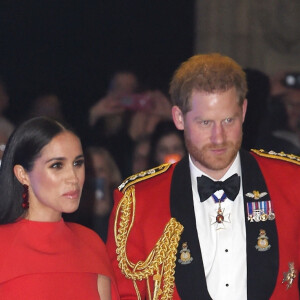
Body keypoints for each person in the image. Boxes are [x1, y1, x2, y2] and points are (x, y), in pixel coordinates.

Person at [106, 53, 300, 299]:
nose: (219, 137)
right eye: (205, 123)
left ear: (244, 110)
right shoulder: (137, 202)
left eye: (228, 120)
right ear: (178, 118)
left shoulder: (292, 182)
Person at [0, 117, 119, 299]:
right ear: (23, 174)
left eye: (78, 163)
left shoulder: (90, 243)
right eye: (57, 165)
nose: (73, 177)